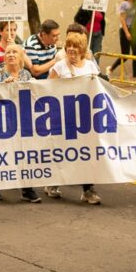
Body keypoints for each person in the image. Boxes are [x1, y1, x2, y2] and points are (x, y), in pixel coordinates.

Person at [46, 32, 102, 204]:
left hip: (85, 118)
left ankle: (87, 189)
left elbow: (98, 88)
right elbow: (47, 89)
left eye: (75, 46)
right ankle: (53, 183)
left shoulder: (91, 66)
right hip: (64, 116)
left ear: (82, 49)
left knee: (85, 153)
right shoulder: (60, 67)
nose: (71, 49)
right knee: (62, 150)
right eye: (69, 46)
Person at [0, 43, 39, 203]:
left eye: (14, 52)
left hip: (22, 120)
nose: (10, 55)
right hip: (3, 119)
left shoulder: (26, 75)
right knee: (2, 152)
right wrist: (4, 86)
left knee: (23, 152)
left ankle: (26, 188)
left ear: (20, 56)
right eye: (8, 52)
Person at [107, 0, 136, 79]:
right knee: (125, 55)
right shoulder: (124, 4)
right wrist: (127, 32)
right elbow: (122, 19)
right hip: (125, 29)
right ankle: (111, 69)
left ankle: (135, 77)